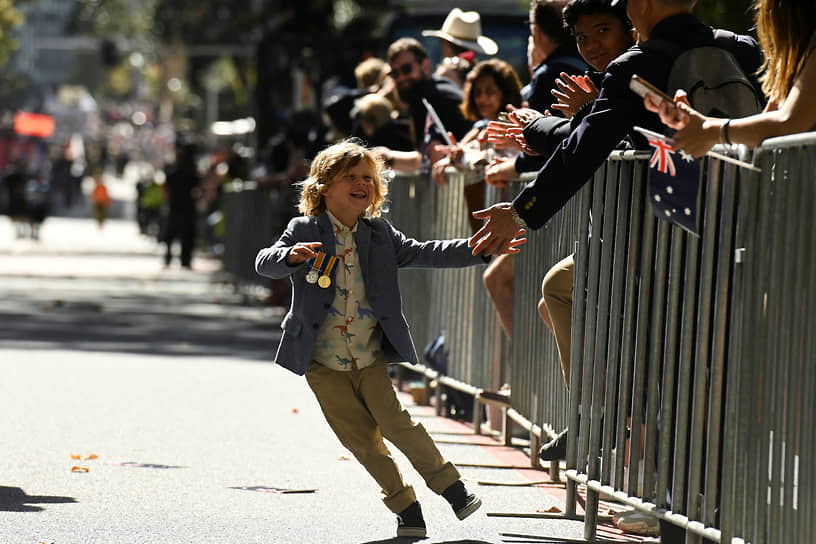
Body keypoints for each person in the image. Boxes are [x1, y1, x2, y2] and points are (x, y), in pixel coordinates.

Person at [254, 140, 525, 538]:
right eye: (350, 177)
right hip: (322, 362)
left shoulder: (379, 233)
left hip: (369, 356)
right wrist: (291, 256)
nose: (361, 183)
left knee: (398, 425)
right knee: (362, 441)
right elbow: (265, 261)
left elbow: (428, 251)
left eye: (368, 177)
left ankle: (451, 488)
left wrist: (478, 249)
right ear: (324, 186)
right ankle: (406, 508)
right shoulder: (304, 229)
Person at [468, 0, 763, 256]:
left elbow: (585, 148)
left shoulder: (635, 65)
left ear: (642, 4)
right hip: (748, 213)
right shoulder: (744, 48)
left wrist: (520, 212)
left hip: (664, 233)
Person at [645, 0, 816, 157]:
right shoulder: (797, 55)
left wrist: (709, 131)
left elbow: (789, 122)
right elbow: (769, 120)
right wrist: (696, 123)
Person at [429, 59, 524, 339]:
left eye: (491, 91)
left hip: (516, 221)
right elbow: (465, 152)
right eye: (478, 91)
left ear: (505, 92)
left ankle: (518, 378)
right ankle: (511, 378)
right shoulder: (484, 125)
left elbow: (484, 157)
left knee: (503, 288)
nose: (483, 98)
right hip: (497, 224)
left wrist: (466, 157)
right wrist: (456, 157)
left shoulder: (513, 121)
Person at [483, 0, 589, 187]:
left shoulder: (547, 75)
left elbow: (545, 150)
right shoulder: (590, 67)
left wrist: (503, 169)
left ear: (537, 32)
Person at [373, 38, 472, 174]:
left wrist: (390, 158)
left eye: (406, 69)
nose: (401, 78)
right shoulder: (439, 86)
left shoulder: (422, 97)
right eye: (395, 73)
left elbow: (429, 160)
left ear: (425, 65)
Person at [162, 142, 200, 269]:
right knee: (185, 236)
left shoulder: (173, 174)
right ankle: (185, 260)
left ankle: (170, 259)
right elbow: (197, 191)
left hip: (176, 208)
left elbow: (165, 190)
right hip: (185, 208)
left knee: (172, 235)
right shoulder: (191, 174)